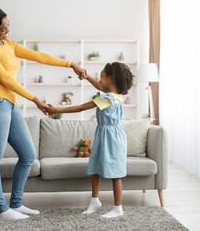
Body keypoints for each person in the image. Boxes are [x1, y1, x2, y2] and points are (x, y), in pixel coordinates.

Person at [0, 6, 85, 220]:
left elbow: (39, 56)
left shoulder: (9, 45)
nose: (7, 32)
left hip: (10, 105)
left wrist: (71, 64)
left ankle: (16, 203)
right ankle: (3, 209)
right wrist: (35, 100)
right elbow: (5, 79)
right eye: (2, 29)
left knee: (28, 155)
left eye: (8, 26)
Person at [46, 62, 134, 218]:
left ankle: (118, 208)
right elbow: (100, 87)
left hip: (112, 139)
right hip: (104, 134)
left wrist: (56, 110)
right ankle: (95, 200)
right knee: (95, 167)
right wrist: (87, 77)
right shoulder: (117, 94)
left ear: (111, 79)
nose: (98, 80)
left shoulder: (107, 99)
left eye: (101, 76)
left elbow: (80, 108)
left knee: (115, 173)